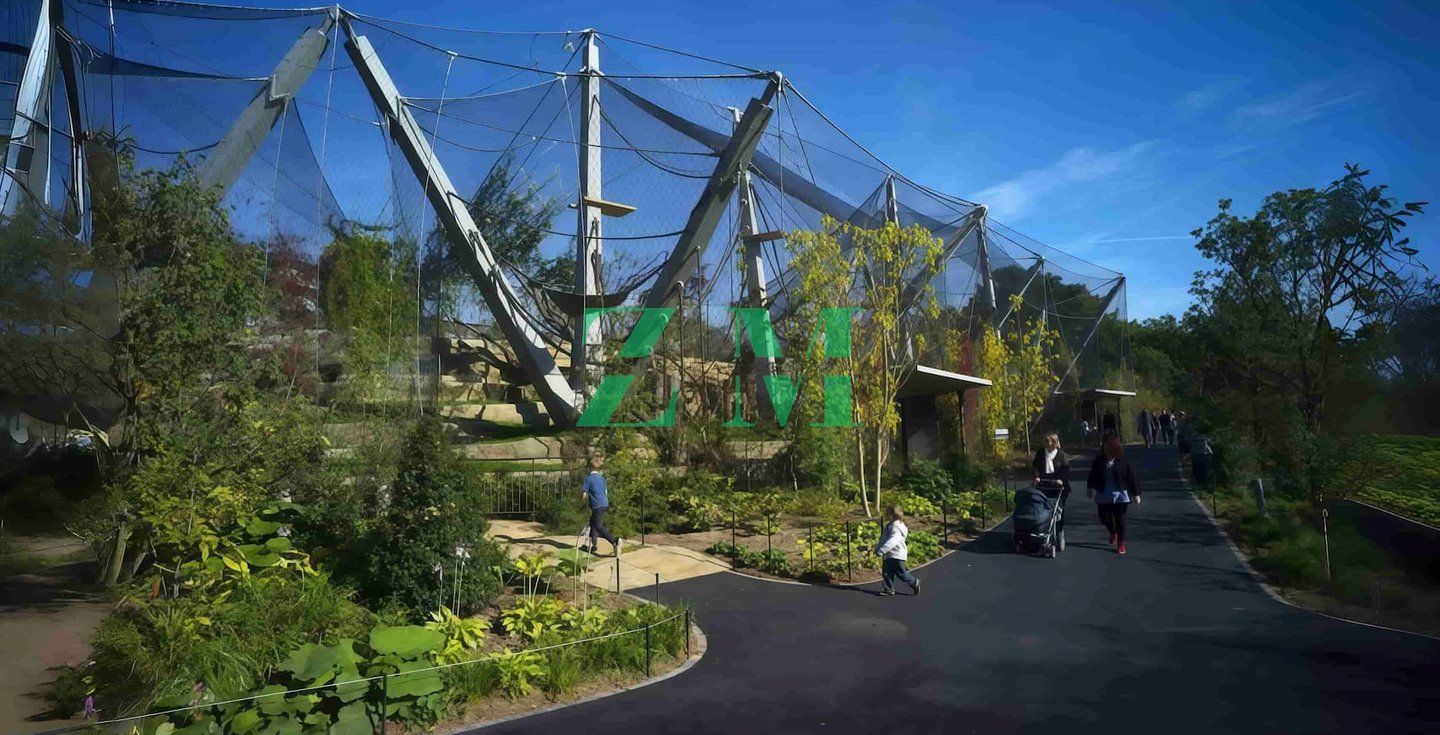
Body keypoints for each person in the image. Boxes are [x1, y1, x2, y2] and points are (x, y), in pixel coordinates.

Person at [1086, 432, 1142, 555]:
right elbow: (1092, 475)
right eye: (1104, 446)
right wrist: (1089, 488)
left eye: (1108, 446)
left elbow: (1131, 477)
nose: (1105, 448)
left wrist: (1136, 493)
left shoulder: (1122, 460)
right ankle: (1113, 532)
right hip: (1104, 493)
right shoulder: (1099, 460)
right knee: (1103, 517)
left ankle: (1121, 543)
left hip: (1120, 495)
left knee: (1120, 519)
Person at [874, 505, 920, 596]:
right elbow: (883, 539)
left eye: (888, 514)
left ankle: (914, 582)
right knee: (886, 573)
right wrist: (878, 548)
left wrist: (881, 550)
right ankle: (889, 589)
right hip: (889, 554)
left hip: (897, 554)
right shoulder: (890, 526)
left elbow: (892, 541)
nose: (886, 516)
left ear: (893, 515)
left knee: (901, 573)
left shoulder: (896, 527)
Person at [1032, 431, 1072, 535]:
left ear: (1054, 442)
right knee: (1042, 507)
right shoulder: (1040, 453)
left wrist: (1060, 479)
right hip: (1044, 485)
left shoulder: (1061, 455)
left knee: (1058, 509)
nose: (1046, 443)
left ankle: (1059, 530)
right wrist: (1036, 476)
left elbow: (1065, 469)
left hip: (1058, 487)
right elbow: (1035, 466)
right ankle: (1043, 528)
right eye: (1045, 441)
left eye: (1048, 441)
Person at [581, 455, 622, 557]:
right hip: (604, 503)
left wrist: (582, 501)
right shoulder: (602, 478)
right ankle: (593, 546)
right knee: (593, 524)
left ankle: (615, 541)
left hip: (596, 504)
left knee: (598, 526)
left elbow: (584, 494)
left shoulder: (588, 479)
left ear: (588, 467)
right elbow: (606, 492)